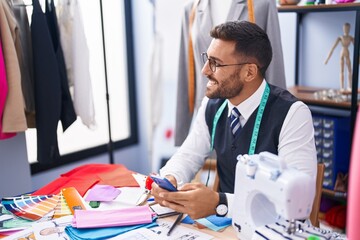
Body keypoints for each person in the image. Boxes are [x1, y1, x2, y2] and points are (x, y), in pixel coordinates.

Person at [151, 20, 317, 220]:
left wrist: (219, 203)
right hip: (224, 226)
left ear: (249, 72)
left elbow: (296, 201)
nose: (205, 70)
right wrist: (171, 178)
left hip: (270, 227)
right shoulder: (212, 105)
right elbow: (188, 155)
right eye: (207, 59)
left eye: (216, 63)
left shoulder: (293, 114)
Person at [324, 22, 354, 92]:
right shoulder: (340, 38)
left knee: (350, 70)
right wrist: (327, 59)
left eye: (347, 28)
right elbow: (332, 48)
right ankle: (342, 87)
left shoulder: (351, 38)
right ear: (343, 29)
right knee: (342, 71)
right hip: (342, 54)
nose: (346, 30)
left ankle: (349, 86)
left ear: (349, 29)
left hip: (347, 54)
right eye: (345, 28)